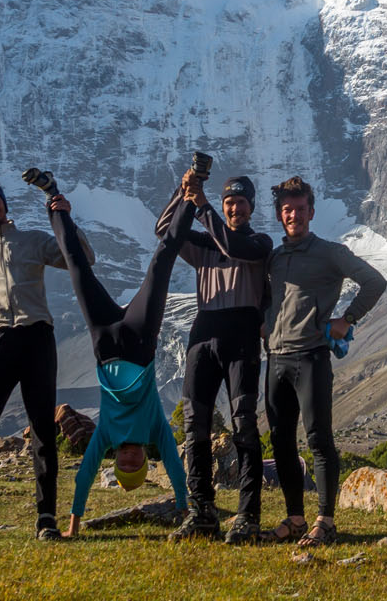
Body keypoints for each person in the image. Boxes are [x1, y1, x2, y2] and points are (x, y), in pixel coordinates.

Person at [39, 178, 190, 537]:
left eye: (123, 463)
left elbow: (86, 474)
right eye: (132, 464)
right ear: (142, 463)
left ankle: (53, 201)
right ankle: (191, 193)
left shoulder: (106, 436)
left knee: (77, 269)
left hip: (105, 342)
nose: (127, 459)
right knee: (161, 262)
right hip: (140, 341)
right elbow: (174, 466)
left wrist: (73, 526)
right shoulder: (155, 430)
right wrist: (184, 508)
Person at [0, 180, 89, 541]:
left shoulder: (35, 240)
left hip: (37, 336)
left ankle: (46, 518)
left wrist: (67, 220)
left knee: (42, 428)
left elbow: (82, 258)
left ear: (5, 205)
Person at [262, 176, 386, 546]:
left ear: (311, 212)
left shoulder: (330, 252)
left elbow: (375, 282)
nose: (294, 215)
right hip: (277, 358)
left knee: (318, 439)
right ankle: (295, 519)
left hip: (312, 357)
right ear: (280, 215)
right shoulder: (275, 257)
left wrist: (347, 319)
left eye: (300, 209)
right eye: (288, 210)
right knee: (282, 442)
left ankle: (326, 521)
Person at [158, 169, 273, 543]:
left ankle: (248, 515)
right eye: (229, 203)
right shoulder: (205, 240)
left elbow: (233, 248)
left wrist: (202, 204)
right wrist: (185, 193)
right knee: (196, 424)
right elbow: (165, 231)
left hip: (241, 335)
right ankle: (201, 511)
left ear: (251, 207)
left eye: (241, 202)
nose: (235, 207)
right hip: (204, 333)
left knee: (243, 424)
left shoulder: (259, 242)